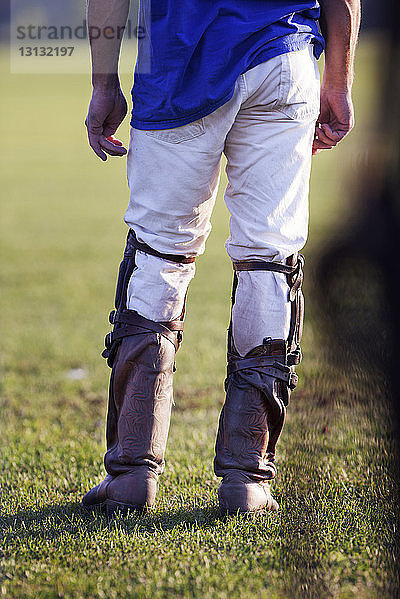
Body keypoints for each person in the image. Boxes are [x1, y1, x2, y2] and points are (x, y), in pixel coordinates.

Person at [82, 0, 360, 516]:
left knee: (159, 254)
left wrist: (103, 83)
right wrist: (338, 82)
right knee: (270, 262)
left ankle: (132, 473)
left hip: (180, 70)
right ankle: (246, 478)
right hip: (284, 60)